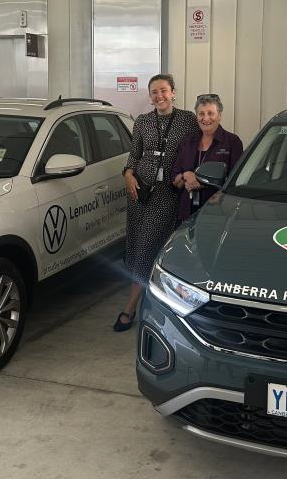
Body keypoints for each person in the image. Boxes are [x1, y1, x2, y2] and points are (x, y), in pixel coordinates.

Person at [114, 74, 200, 332]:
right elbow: (134, 154)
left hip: (167, 194)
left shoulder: (188, 121)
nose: (159, 96)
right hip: (140, 192)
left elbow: (196, 152)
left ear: (173, 92)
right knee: (139, 244)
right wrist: (128, 174)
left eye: (163, 91)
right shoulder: (142, 121)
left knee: (148, 246)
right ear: (149, 96)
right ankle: (148, 297)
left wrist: (188, 175)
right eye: (154, 92)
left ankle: (130, 307)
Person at [172, 94, 243, 221]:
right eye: (201, 114)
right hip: (186, 212)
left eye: (211, 113)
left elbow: (235, 182)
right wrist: (186, 175)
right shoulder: (188, 141)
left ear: (219, 115)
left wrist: (202, 182)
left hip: (217, 212)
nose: (205, 118)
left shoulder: (232, 142)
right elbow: (175, 180)